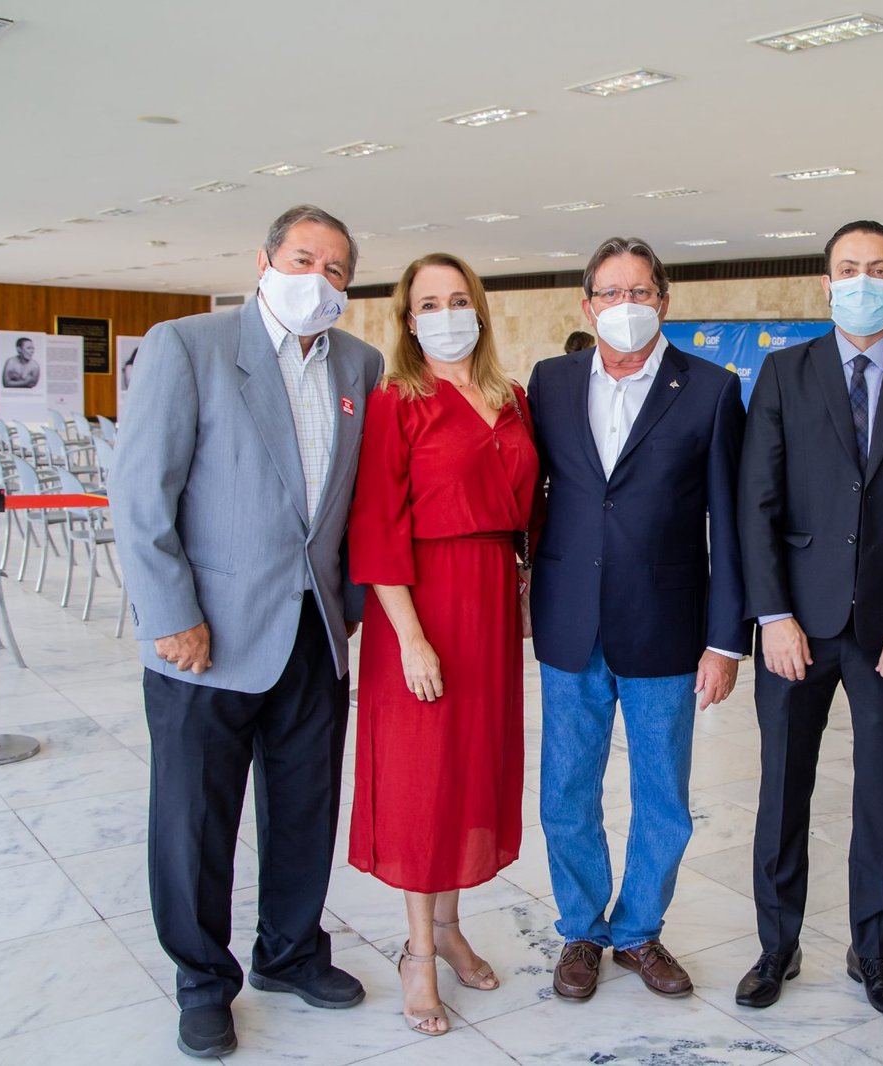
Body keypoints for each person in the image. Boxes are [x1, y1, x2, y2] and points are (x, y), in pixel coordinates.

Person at [110, 205, 383, 1059]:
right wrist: (171, 615)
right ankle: (202, 981)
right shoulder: (187, 347)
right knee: (195, 823)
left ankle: (290, 952)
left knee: (305, 809)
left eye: (335, 270)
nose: (318, 280)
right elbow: (141, 495)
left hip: (314, 632)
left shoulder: (359, 364)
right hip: (206, 638)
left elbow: (358, 501)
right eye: (303, 260)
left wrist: (351, 604)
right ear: (264, 262)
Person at [735, 220, 883, 1016]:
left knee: (881, 798)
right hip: (796, 626)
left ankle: (872, 954)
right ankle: (777, 946)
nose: (861, 280)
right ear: (826, 282)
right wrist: (773, 615)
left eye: (877, 269)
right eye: (847, 268)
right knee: (782, 791)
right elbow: (756, 504)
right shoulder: (784, 373)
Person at [528, 236, 748, 1002]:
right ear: (587, 305)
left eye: (640, 292)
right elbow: (534, 494)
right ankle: (581, 931)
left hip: (666, 626)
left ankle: (639, 932)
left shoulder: (711, 389)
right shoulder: (551, 382)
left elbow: (730, 523)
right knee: (566, 790)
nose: (626, 305)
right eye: (611, 293)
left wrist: (726, 641)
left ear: (664, 300)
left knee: (663, 797)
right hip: (569, 621)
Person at [346, 252, 538, 1037]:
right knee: (422, 781)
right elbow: (374, 523)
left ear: (479, 310)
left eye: (458, 299)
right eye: (429, 304)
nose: (446, 314)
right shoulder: (397, 400)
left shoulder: (511, 397)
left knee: (468, 771)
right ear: (408, 320)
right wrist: (411, 639)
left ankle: (452, 926)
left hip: (489, 601)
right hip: (420, 603)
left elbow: (527, 510)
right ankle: (418, 951)